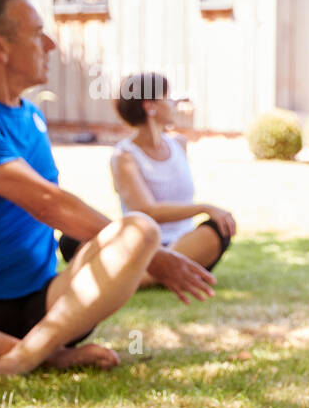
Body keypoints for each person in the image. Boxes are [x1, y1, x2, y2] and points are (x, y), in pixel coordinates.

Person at [0, 0, 214, 384]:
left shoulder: (31, 116)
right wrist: (157, 260)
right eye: (36, 33)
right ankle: (41, 357)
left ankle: (24, 356)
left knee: (140, 230)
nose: (49, 43)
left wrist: (146, 249)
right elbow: (47, 202)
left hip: (46, 307)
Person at [58, 72, 234, 282]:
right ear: (150, 106)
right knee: (71, 240)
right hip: (140, 244)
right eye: (167, 97)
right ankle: (161, 273)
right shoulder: (124, 157)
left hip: (185, 242)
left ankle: (136, 279)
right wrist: (204, 207)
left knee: (219, 229)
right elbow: (146, 211)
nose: (174, 103)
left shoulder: (179, 144)